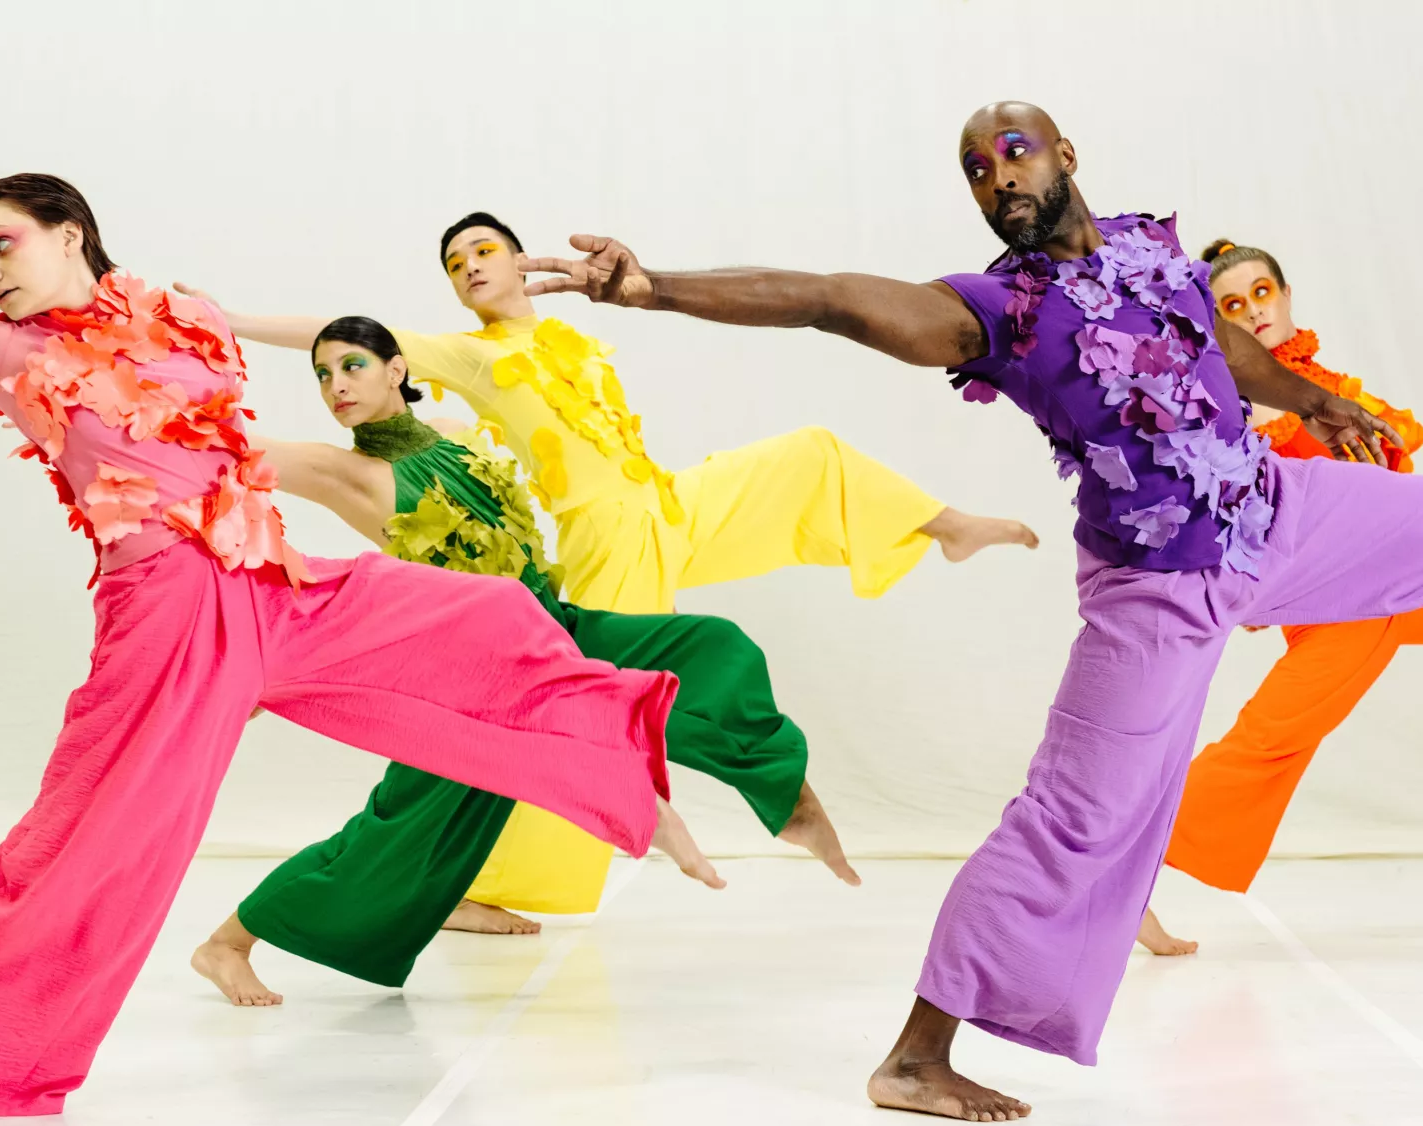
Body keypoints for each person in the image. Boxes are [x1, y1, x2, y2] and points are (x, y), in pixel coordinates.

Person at [513, 102, 1423, 1121]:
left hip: (1267, 510)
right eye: (976, 171)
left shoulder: (1149, 252)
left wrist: (1311, 398)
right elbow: (833, 300)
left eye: (1013, 153)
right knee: (1077, 815)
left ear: (1065, 152)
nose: (998, 181)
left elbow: (1221, 344)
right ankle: (917, 1058)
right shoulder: (994, 311)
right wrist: (657, 288)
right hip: (1158, 584)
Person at [0, 176, 677, 1126]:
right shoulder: (3, 349)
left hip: (270, 584)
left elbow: (231, 452)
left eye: (3, 243)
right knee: (92, 844)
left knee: (481, 615)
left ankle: (622, 752)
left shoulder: (179, 316)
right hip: (163, 616)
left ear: (71, 234)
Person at [176, 212, 1039, 920]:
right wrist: (237, 321)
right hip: (605, 539)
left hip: (667, 505)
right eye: (454, 263)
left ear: (520, 262)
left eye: (483, 251)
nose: (470, 267)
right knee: (594, 707)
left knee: (807, 456)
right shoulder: (472, 356)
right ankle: (507, 873)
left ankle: (944, 524)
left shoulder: (571, 341)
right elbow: (338, 335)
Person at [190, 316, 859, 1005]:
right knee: (405, 822)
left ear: (398, 368)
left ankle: (783, 793)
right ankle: (226, 944)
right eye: (323, 374)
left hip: (553, 629)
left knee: (711, 648)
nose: (336, 386)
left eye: (352, 365)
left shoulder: (453, 441)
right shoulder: (346, 470)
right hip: (472, 675)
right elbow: (229, 447)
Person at [1134, 236, 1423, 957]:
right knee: (1269, 741)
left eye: (1262, 293)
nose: (1253, 312)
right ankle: (1123, 879)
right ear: (1219, 322)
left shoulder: (1324, 381)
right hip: (1327, 603)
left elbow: (1398, 453)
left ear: (1287, 294)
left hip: (1378, 583)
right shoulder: (1230, 398)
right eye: (1232, 306)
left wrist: (1339, 419)